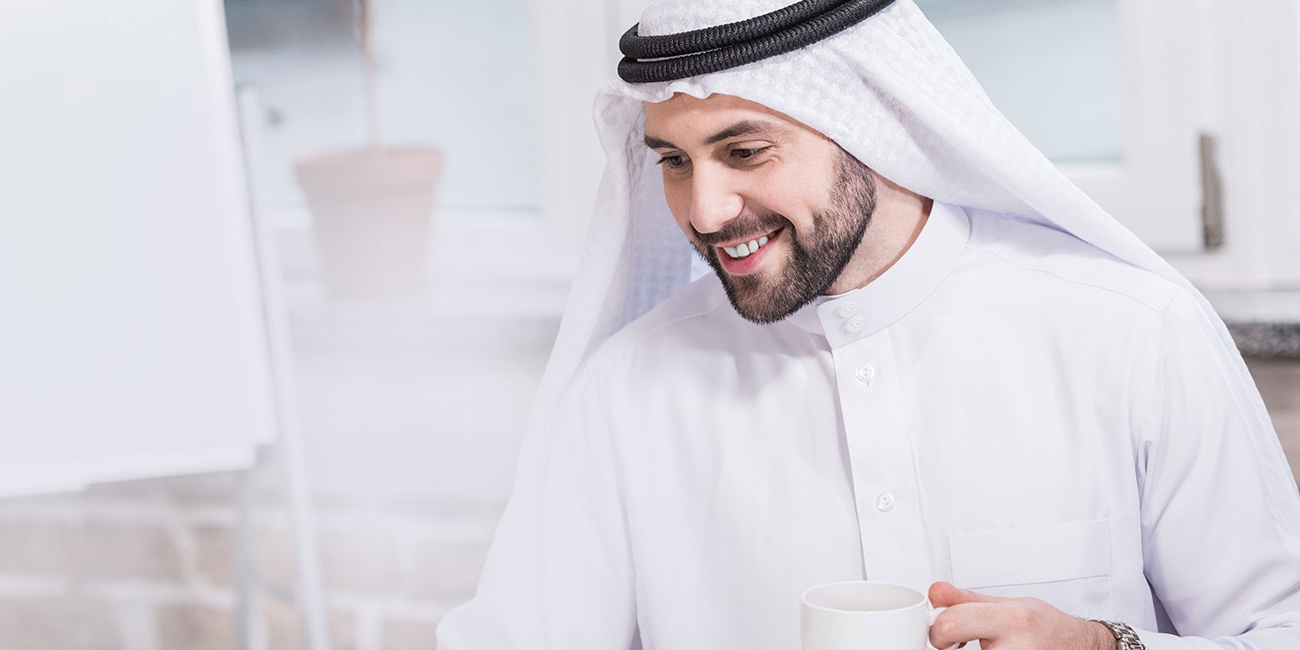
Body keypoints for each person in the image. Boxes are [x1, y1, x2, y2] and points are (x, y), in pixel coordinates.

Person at [433, 1, 1300, 648]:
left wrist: (1110, 648)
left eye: (744, 151)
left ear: (875, 124)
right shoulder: (627, 392)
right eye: (674, 161)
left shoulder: (1132, 336)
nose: (704, 209)